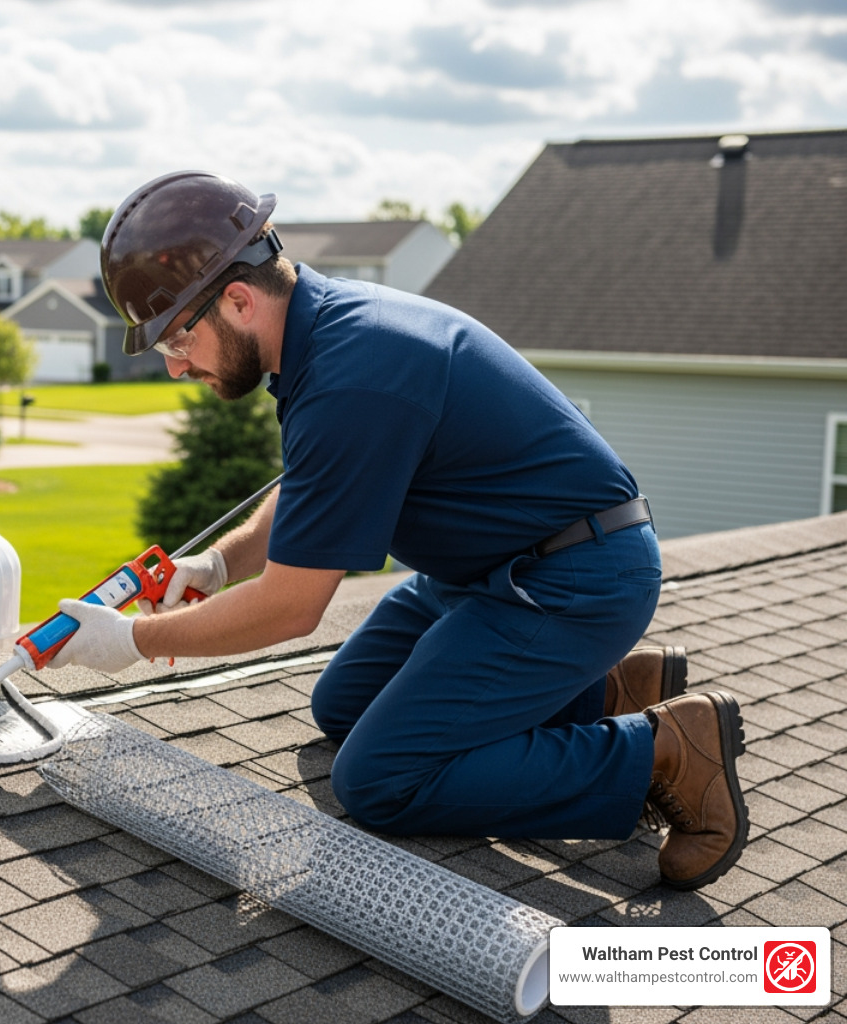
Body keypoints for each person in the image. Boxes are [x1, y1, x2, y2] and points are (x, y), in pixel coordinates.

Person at [48, 171, 747, 890]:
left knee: (383, 778)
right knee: (342, 705)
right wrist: (220, 566)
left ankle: (663, 751)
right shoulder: (325, 332)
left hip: (572, 579)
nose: (175, 368)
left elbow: (292, 609)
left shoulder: (356, 371)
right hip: (489, 572)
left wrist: (130, 642)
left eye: (175, 341)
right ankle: (608, 691)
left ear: (237, 300)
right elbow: (320, 480)